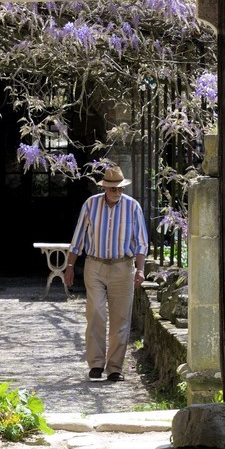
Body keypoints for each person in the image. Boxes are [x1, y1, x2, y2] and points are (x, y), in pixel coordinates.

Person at [64, 162, 148, 382]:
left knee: (121, 318)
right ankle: (96, 364)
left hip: (123, 266)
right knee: (96, 314)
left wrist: (140, 270)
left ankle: (115, 368)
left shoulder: (133, 207)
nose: (117, 192)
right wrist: (70, 266)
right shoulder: (90, 205)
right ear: (104, 188)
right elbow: (78, 237)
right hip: (95, 265)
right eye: (113, 188)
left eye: (120, 188)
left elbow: (141, 242)